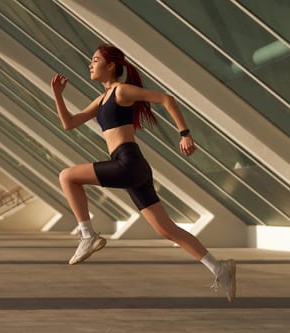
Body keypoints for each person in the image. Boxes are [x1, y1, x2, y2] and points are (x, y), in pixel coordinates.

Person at [50, 43, 236, 302]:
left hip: (128, 161)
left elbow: (166, 99)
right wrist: (58, 94)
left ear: (111, 66)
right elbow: (69, 123)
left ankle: (88, 235)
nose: (90, 65)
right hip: (133, 167)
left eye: (95, 60)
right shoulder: (102, 99)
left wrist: (185, 134)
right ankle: (220, 269)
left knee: (67, 176)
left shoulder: (121, 91)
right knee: (167, 229)